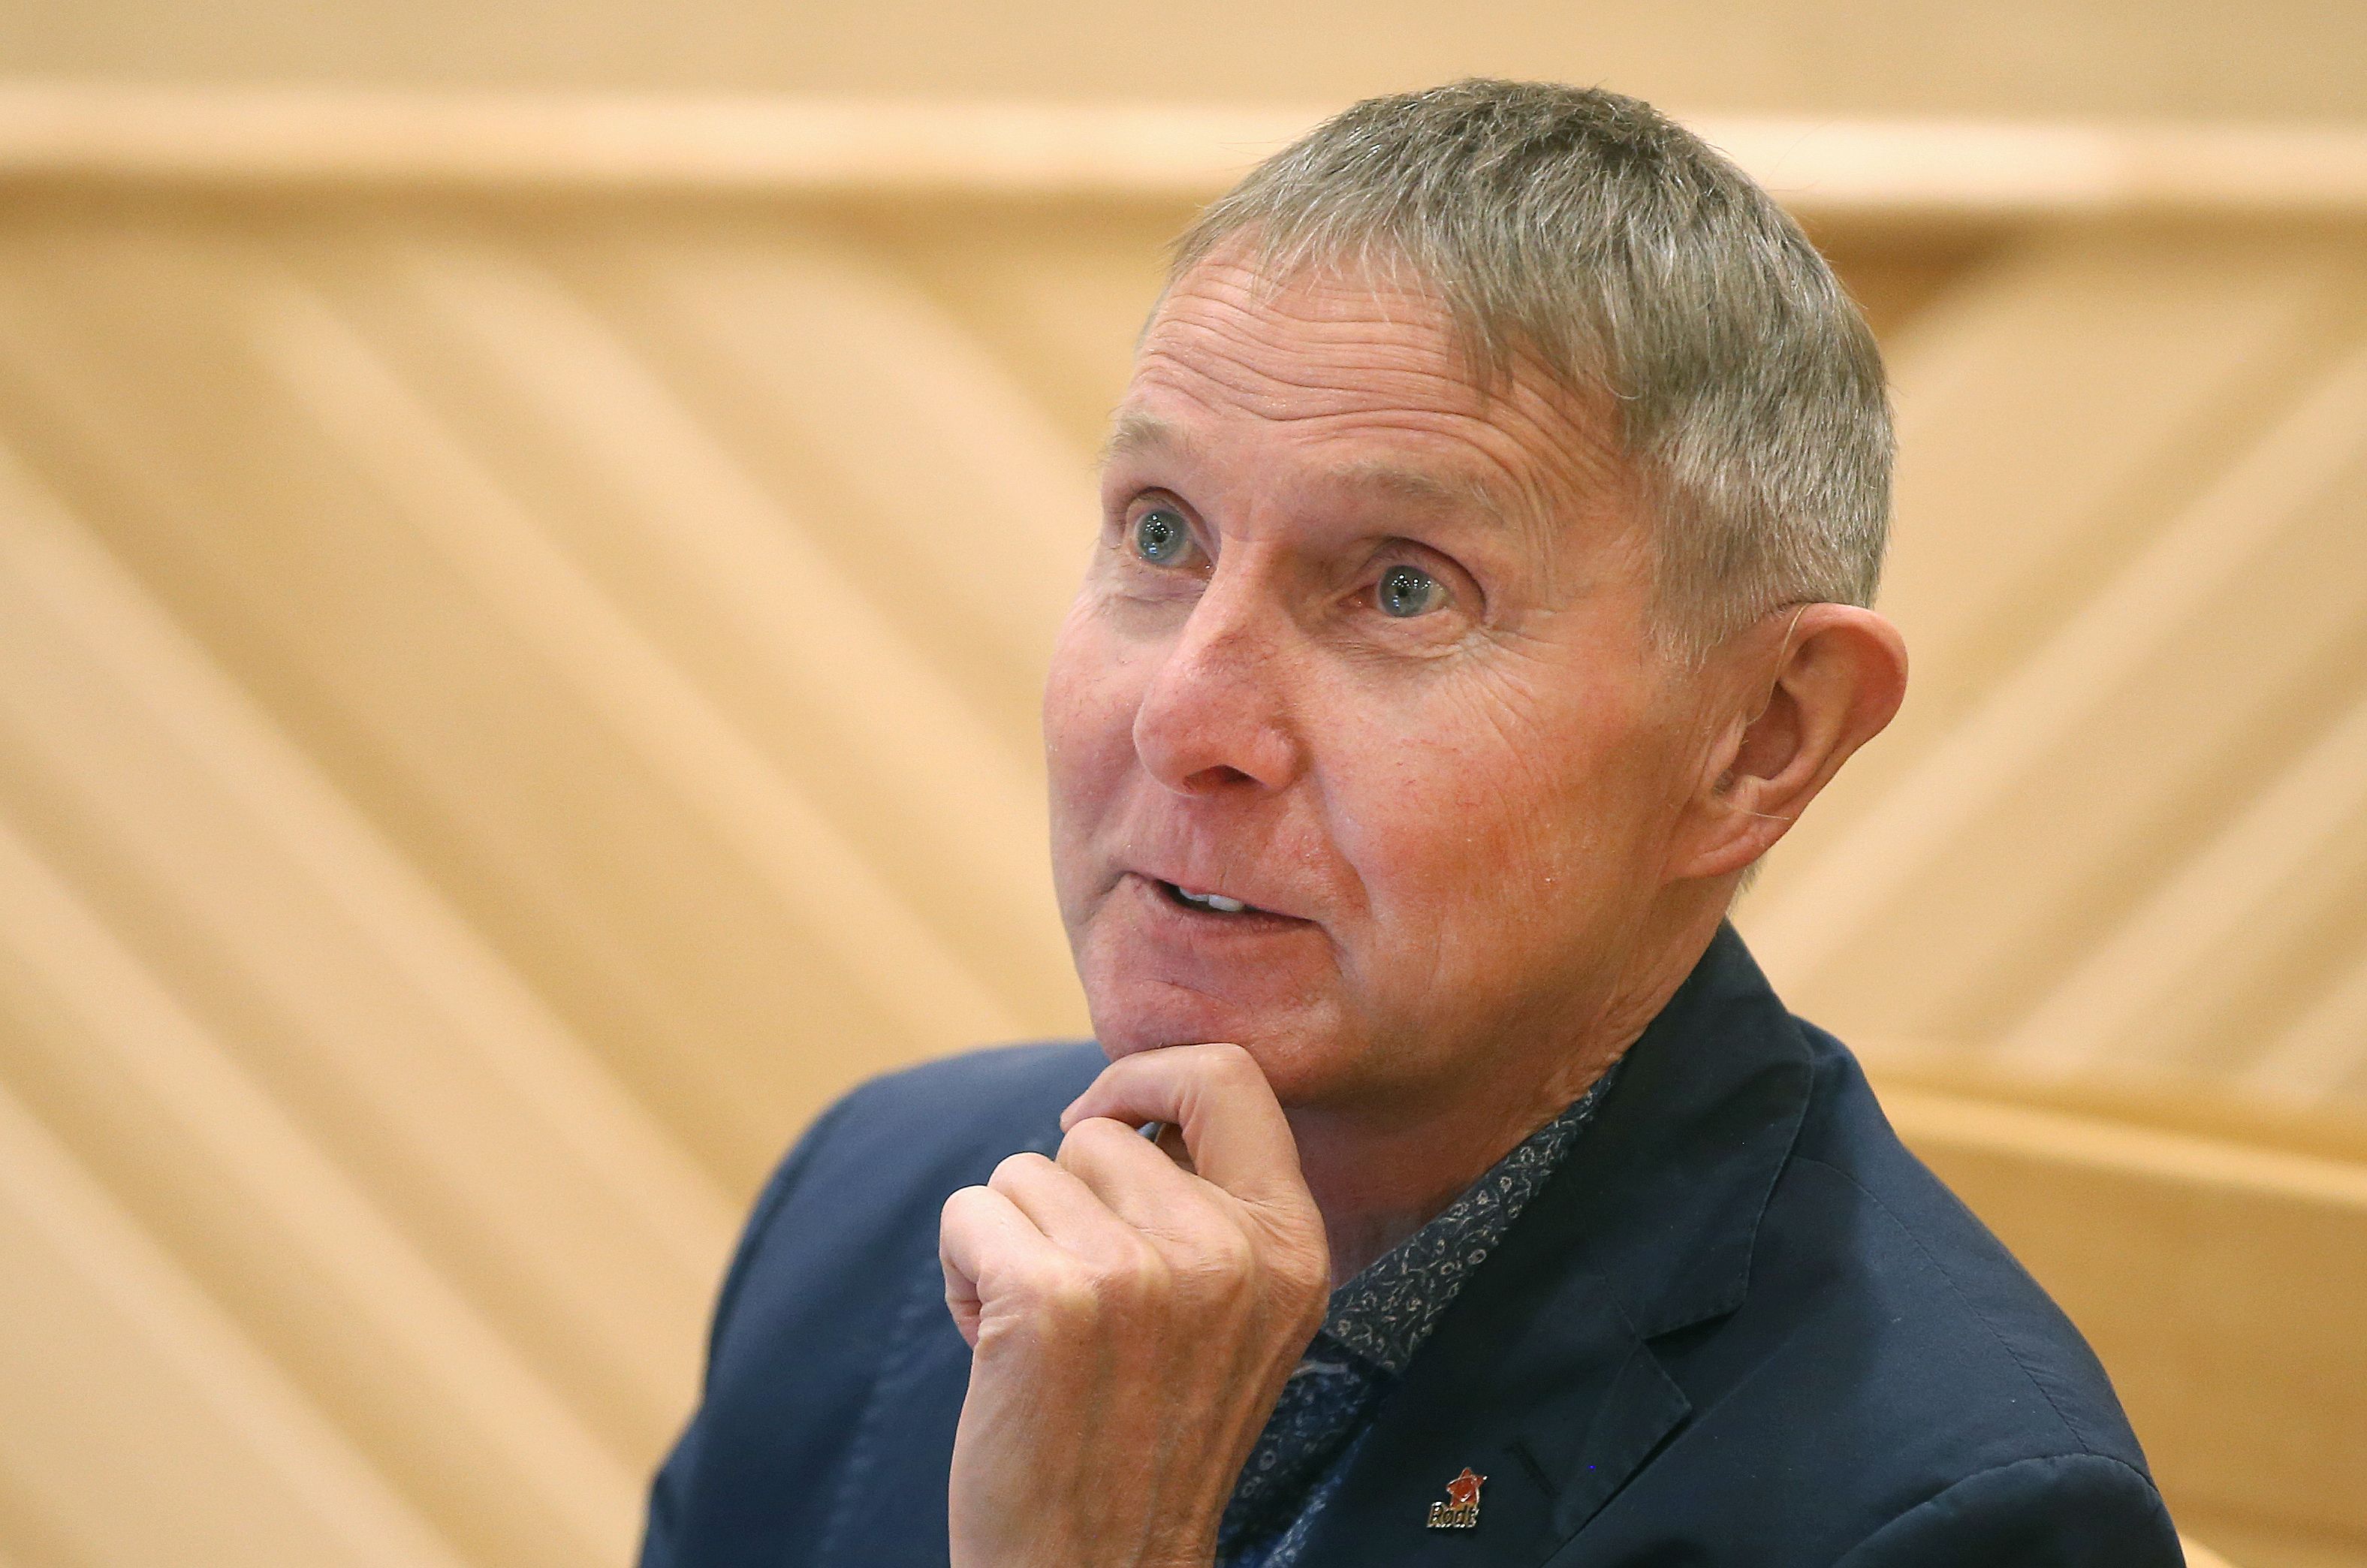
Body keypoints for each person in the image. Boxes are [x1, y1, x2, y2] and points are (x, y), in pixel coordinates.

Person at [638, 80, 2183, 1566]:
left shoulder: (1950, 1514)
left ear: (1757, 739)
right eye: (1162, 535)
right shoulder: (870, 1205)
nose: (1186, 723)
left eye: (1400, 589)